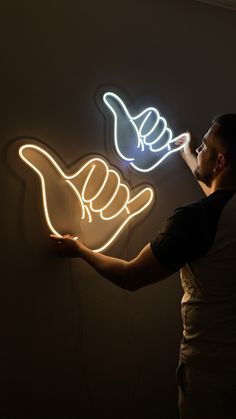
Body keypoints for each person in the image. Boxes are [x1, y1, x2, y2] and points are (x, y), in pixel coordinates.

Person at [50, 114, 236, 419]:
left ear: (220, 162)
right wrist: (187, 153)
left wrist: (79, 249)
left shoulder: (195, 220)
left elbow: (130, 276)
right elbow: (218, 202)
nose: (199, 149)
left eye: (204, 146)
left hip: (211, 372)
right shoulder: (217, 215)